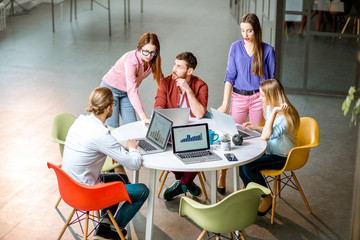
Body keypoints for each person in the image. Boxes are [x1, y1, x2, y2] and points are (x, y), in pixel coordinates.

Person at [61, 87, 149, 240]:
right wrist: (133, 149)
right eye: (113, 105)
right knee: (142, 191)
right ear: (108, 108)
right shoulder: (101, 134)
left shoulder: (80, 121)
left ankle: (105, 222)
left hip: (70, 187)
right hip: (87, 193)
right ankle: (114, 230)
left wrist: (120, 149)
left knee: (119, 179)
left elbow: (98, 146)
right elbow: (134, 164)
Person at [217, 13, 276, 194]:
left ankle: (246, 182)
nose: (245, 34)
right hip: (239, 98)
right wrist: (225, 103)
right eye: (243, 30)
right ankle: (223, 173)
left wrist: (270, 109)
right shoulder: (235, 47)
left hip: (259, 98)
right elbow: (229, 77)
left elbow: (271, 80)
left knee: (254, 140)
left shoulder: (267, 50)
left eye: (249, 30)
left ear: (256, 30)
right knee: (230, 137)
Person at [239, 78, 300, 216]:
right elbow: (268, 130)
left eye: (262, 95)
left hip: (284, 156)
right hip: (271, 151)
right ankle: (253, 195)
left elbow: (266, 136)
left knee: (249, 166)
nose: (259, 98)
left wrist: (273, 113)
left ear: (271, 95)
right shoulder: (269, 107)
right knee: (242, 163)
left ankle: (266, 199)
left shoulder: (286, 116)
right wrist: (255, 127)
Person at [154, 52, 208, 200]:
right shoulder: (165, 83)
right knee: (164, 147)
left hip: (192, 133)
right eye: (174, 64)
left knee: (201, 150)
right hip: (172, 132)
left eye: (179, 67)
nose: (174, 69)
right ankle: (187, 182)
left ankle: (181, 184)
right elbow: (158, 107)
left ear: (189, 71)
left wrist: (188, 90)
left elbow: (199, 114)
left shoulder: (201, 85)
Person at [100, 32, 163, 127]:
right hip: (111, 90)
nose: (148, 56)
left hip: (126, 92)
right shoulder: (132, 61)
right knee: (114, 128)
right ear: (139, 47)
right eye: (145, 51)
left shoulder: (153, 60)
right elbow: (132, 90)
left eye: (152, 52)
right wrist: (144, 117)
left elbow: (161, 78)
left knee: (133, 127)